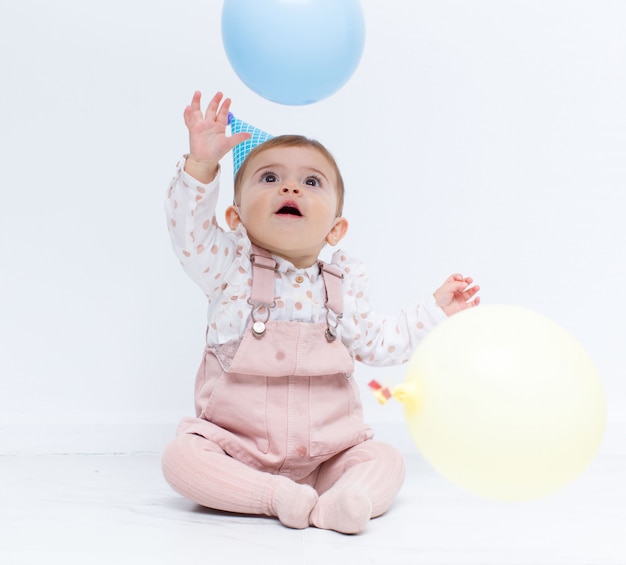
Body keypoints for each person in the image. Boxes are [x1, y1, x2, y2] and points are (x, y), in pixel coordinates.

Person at [161, 91, 480, 534]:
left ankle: (347, 502)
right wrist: (201, 167)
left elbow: (380, 342)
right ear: (235, 217)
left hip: (328, 455)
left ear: (336, 228)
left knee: (384, 459)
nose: (289, 188)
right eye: (269, 178)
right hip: (237, 450)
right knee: (182, 458)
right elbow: (187, 229)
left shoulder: (342, 284)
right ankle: (274, 498)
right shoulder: (226, 266)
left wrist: (434, 311)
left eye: (311, 182)